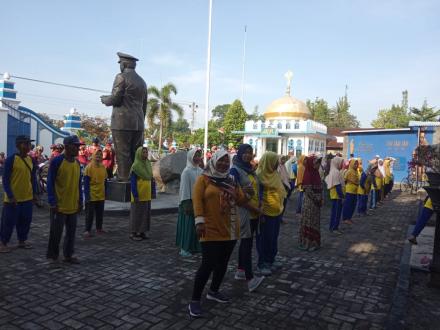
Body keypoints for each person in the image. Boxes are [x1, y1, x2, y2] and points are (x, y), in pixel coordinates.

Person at [188, 150, 247, 318]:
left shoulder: (231, 180)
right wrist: (199, 221)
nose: (223, 164)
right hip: (210, 228)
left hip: (230, 230)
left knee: (223, 263)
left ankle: (213, 291)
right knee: (207, 265)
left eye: (226, 162)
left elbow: (242, 200)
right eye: (220, 161)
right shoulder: (204, 179)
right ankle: (194, 300)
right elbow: (197, 200)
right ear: (213, 161)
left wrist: (236, 193)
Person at [101, 52, 147, 182]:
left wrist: (105, 100)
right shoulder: (142, 82)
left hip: (122, 122)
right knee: (135, 153)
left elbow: (116, 98)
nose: (120, 66)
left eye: (120, 63)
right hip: (138, 123)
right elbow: (144, 105)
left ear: (125, 64)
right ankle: (136, 178)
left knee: (123, 152)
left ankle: (124, 177)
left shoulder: (121, 77)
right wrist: (141, 120)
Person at [229, 144, 265, 292]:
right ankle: (250, 279)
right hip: (244, 213)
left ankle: (241, 271)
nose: (248, 155)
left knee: (247, 243)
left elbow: (256, 189)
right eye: (245, 152)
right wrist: (255, 208)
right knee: (246, 244)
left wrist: (260, 204)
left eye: (250, 153)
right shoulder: (235, 170)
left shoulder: (251, 169)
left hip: (255, 212)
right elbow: (235, 195)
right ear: (239, 153)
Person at [46, 135, 84, 264]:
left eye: (79, 146)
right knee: (56, 233)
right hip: (59, 205)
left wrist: (80, 200)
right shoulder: (57, 161)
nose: (78, 149)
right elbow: (50, 183)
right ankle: (53, 256)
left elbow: (79, 183)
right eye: (75, 146)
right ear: (67, 147)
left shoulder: (77, 163)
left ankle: (68, 255)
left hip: (73, 204)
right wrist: (52, 201)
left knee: (71, 233)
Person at [0, 136, 38, 253]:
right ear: (18, 145)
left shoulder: (31, 160)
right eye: (25, 144)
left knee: (25, 220)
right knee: (8, 222)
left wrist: (35, 194)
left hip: (27, 197)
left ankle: (22, 241)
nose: (28, 146)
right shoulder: (11, 159)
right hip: (13, 199)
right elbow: (5, 179)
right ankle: (3, 243)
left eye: (29, 144)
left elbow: (33, 178)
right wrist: (10, 195)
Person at [255, 151, 287, 276]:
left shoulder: (275, 174)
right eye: (273, 162)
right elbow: (258, 196)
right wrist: (261, 214)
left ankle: (271, 259)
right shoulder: (259, 175)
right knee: (264, 239)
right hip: (265, 213)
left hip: (277, 211)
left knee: (273, 238)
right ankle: (262, 263)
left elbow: (280, 190)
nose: (275, 164)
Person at [176, 148, 203, 257]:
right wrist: (186, 203)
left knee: (196, 226)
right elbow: (184, 189)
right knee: (188, 226)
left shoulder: (200, 171)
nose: (197, 158)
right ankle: (185, 248)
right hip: (188, 202)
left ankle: (195, 247)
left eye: (199, 156)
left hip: (199, 202)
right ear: (190, 157)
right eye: (195, 156)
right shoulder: (186, 172)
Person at [298, 156, 323, 251]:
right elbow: (308, 190)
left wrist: (321, 198)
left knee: (315, 222)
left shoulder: (316, 173)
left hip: (316, 203)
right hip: (310, 202)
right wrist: (317, 199)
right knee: (309, 221)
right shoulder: (308, 174)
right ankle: (308, 243)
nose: (318, 165)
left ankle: (315, 242)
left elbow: (320, 188)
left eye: (319, 163)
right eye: (316, 163)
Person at [129, 146, 154, 241]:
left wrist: (152, 192)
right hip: (138, 195)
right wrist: (135, 194)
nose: (145, 154)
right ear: (139, 154)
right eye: (143, 152)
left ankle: (142, 231)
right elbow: (133, 182)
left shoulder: (148, 164)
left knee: (145, 214)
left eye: (146, 152)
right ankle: (133, 233)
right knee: (136, 214)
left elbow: (150, 178)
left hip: (146, 194)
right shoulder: (135, 166)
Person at [83, 149, 107, 238]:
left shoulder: (103, 167)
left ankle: (99, 228)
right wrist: (87, 195)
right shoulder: (89, 167)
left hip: (101, 193)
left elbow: (105, 181)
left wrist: (106, 192)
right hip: (92, 194)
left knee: (100, 213)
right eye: (97, 154)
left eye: (100, 155)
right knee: (89, 214)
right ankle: (87, 230)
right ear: (93, 155)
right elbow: (85, 183)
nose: (99, 156)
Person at [325, 156, 344, 234]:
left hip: (335, 195)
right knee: (336, 213)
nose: (342, 164)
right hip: (337, 196)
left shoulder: (333, 170)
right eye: (341, 162)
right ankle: (334, 228)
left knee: (334, 212)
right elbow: (337, 185)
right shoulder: (335, 172)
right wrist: (342, 196)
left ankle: (332, 227)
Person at [342, 159, 359, 225]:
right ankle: (345, 218)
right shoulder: (349, 171)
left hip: (355, 191)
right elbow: (344, 180)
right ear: (351, 164)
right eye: (355, 164)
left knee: (353, 205)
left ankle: (349, 218)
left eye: (357, 164)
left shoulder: (356, 171)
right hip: (349, 191)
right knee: (348, 205)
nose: (356, 165)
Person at [278, 155, 291, 222]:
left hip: (285, 187)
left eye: (284, 159)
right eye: (282, 159)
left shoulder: (284, 166)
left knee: (284, 203)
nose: (283, 161)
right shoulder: (278, 167)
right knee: (281, 203)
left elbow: (286, 175)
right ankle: (279, 217)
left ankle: (281, 217)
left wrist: (288, 180)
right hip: (280, 187)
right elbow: (278, 178)